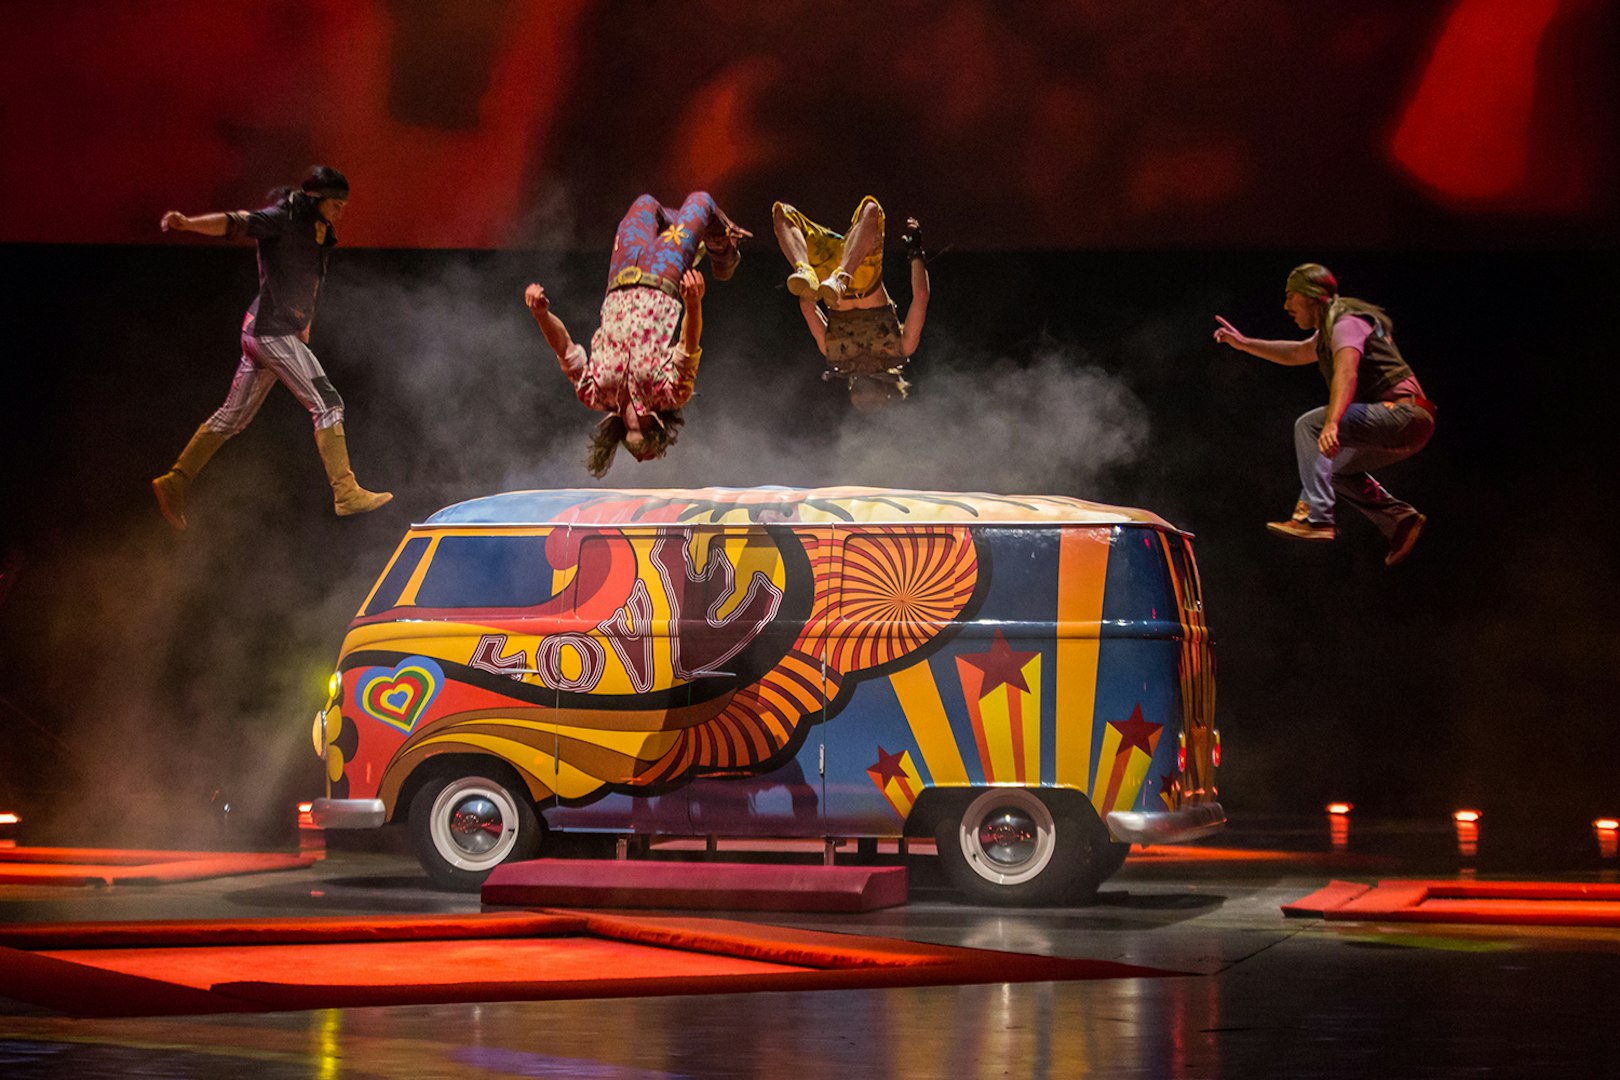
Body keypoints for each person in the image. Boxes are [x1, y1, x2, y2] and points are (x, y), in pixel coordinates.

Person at [150, 166, 391, 529]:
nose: (342, 210)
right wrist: (188, 223)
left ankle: (176, 480)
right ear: (316, 200)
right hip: (271, 331)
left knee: (233, 417)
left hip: (269, 329)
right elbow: (234, 222)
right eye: (337, 203)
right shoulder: (281, 219)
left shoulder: (320, 231)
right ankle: (345, 492)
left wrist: (305, 322)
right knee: (328, 404)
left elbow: (309, 280)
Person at [1214, 263, 1435, 566]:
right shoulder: (1330, 331)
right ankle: (1400, 519)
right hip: (1405, 423)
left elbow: (1347, 372)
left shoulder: (1346, 322)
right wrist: (1243, 344)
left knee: (1310, 426)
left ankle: (1316, 517)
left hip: (1406, 415)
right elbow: (1295, 353)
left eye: (1291, 297)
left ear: (1312, 295)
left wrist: (1331, 422)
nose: (1286, 306)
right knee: (1332, 468)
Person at [525, 192, 748, 476]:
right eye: (647, 447)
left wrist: (541, 314)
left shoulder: (595, 395)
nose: (640, 453)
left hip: (622, 274)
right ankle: (723, 250)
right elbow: (687, 347)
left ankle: (687, 231)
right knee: (701, 201)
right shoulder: (670, 395)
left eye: (635, 449)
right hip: (662, 275)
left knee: (645, 204)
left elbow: (565, 350)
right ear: (658, 431)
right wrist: (693, 304)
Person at [771, 197, 929, 410]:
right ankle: (817, 271)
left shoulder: (900, 349)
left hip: (844, 277)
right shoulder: (836, 352)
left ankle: (808, 269)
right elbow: (806, 307)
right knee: (784, 214)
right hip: (847, 274)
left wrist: (916, 252)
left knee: (785, 213)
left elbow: (920, 296)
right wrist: (916, 252)